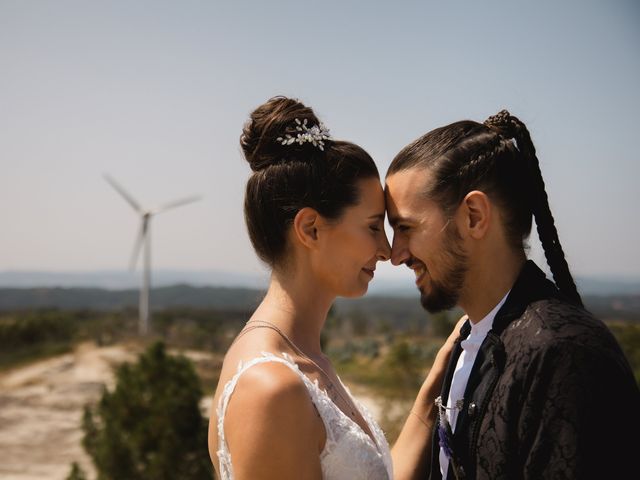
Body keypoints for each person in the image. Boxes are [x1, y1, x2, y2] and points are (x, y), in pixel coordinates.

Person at [207, 96, 461, 480]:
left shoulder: (302, 359)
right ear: (310, 229)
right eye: (374, 226)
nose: (388, 251)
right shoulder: (272, 390)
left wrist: (438, 380)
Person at [384, 109, 640, 479]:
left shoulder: (563, 352)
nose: (396, 254)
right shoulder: (471, 340)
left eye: (405, 228)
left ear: (473, 215)